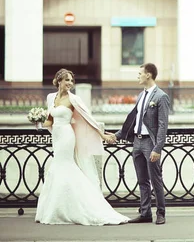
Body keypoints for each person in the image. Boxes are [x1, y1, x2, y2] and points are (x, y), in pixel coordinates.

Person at [35, 68, 129, 226]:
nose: (70, 83)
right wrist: (37, 121)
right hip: (56, 137)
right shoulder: (51, 98)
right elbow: (49, 122)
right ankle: (55, 210)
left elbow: (88, 118)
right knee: (57, 169)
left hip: (66, 136)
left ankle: (79, 207)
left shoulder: (74, 99)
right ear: (59, 81)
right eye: (67, 80)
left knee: (64, 166)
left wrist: (103, 135)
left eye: (71, 80)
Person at [106, 63, 170, 225]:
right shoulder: (141, 95)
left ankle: (160, 213)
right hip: (137, 142)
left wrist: (157, 148)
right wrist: (117, 135)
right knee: (142, 180)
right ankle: (145, 213)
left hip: (150, 143)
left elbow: (163, 125)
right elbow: (134, 120)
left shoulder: (161, 96)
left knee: (156, 180)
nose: (138, 76)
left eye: (140, 73)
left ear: (148, 75)